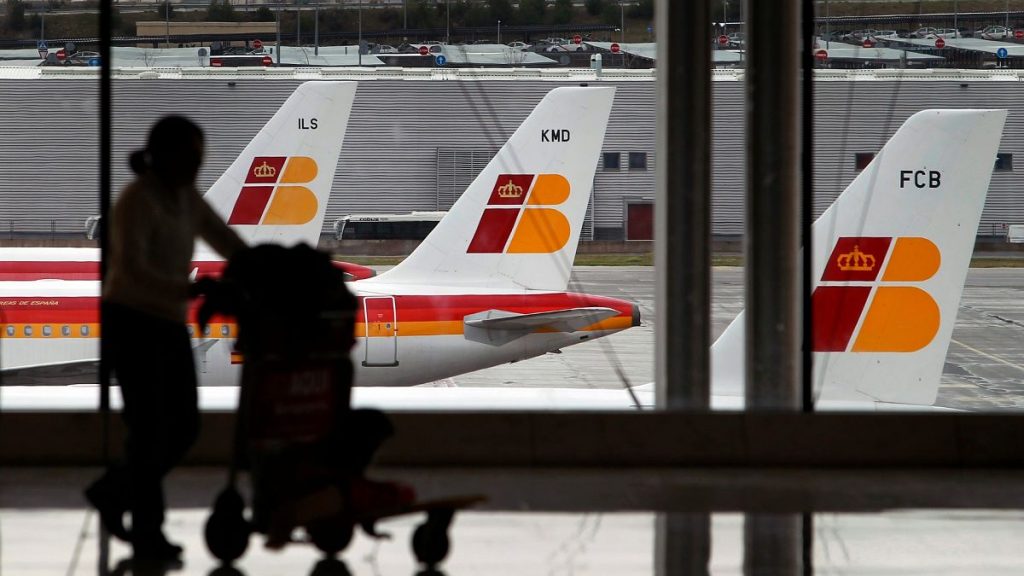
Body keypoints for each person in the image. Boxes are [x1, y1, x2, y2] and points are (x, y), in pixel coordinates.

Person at [85, 116, 246, 562]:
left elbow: (225, 239)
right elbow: (133, 270)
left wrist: (265, 264)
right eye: (191, 155)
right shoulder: (136, 201)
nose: (197, 163)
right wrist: (190, 290)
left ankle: (114, 491)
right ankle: (147, 534)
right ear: (166, 156)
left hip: (168, 321)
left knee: (180, 427)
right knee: (152, 431)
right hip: (132, 322)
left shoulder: (184, 197)